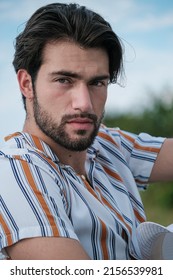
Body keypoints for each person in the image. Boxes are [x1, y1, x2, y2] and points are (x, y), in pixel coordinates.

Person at [0, 3, 172, 260]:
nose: (85, 104)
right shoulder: (14, 171)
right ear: (27, 84)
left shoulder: (105, 144)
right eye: (64, 80)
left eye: (97, 82)